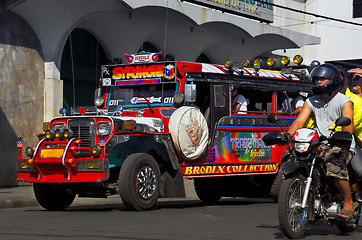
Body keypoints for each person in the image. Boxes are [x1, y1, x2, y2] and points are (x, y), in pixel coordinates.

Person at [287, 63, 356, 221]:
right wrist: (288, 135)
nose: (318, 82)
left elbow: (348, 126)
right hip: (319, 143)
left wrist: (343, 138)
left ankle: (348, 202)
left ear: (332, 80)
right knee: (300, 160)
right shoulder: (311, 101)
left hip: (339, 143)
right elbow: (299, 121)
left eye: (322, 79)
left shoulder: (344, 101)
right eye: (316, 79)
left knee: (334, 166)